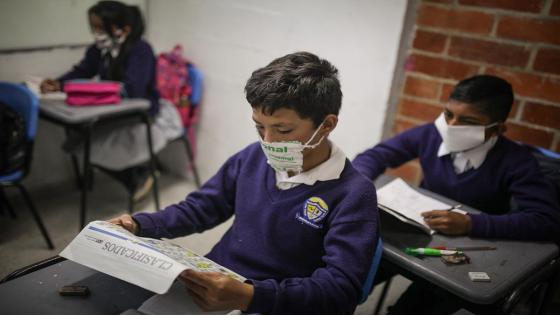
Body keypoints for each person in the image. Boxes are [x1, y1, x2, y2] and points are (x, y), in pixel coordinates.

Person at [110, 52, 380, 315]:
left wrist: (250, 296)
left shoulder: (353, 194)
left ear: (326, 125)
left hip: (277, 302)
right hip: (216, 281)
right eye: (259, 127)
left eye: (283, 130)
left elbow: (340, 290)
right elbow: (200, 208)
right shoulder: (252, 157)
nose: (269, 141)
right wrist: (140, 224)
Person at [353, 74, 560, 314]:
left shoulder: (517, 162)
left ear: (496, 130)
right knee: (349, 276)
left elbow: (546, 220)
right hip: (416, 237)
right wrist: (359, 184)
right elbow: (375, 156)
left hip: (461, 255)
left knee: (413, 308)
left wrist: (472, 223)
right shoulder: (430, 134)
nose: (450, 127)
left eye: (467, 121)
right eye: (448, 114)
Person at [41, 1, 182, 201]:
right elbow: (83, 70)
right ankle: (138, 172)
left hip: (138, 111)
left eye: (101, 27)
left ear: (124, 29)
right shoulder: (98, 49)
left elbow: (133, 90)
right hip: (113, 109)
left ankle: (138, 174)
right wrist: (59, 83)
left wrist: (86, 91)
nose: (96, 33)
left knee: (88, 143)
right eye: (93, 27)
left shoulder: (141, 50)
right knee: (77, 142)